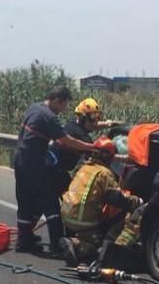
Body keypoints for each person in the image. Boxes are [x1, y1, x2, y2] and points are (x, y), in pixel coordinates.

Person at [13, 87, 99, 254]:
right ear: (58, 100)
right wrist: (93, 147)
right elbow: (66, 141)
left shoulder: (35, 108)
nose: (63, 110)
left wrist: (107, 124)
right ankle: (58, 244)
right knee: (51, 202)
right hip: (35, 164)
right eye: (63, 105)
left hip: (20, 160)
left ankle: (23, 241)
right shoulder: (49, 117)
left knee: (25, 202)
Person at [58, 136, 144, 267]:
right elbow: (117, 199)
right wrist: (137, 201)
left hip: (66, 216)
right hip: (83, 221)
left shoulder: (84, 167)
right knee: (97, 247)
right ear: (108, 157)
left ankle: (75, 240)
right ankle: (77, 245)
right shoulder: (104, 173)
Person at [47, 97, 121, 199]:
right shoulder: (83, 137)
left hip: (52, 166)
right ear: (82, 118)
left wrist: (108, 124)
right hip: (54, 171)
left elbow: (92, 126)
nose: (95, 120)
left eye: (96, 116)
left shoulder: (73, 123)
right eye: (92, 117)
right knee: (70, 201)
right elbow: (103, 154)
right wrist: (127, 159)